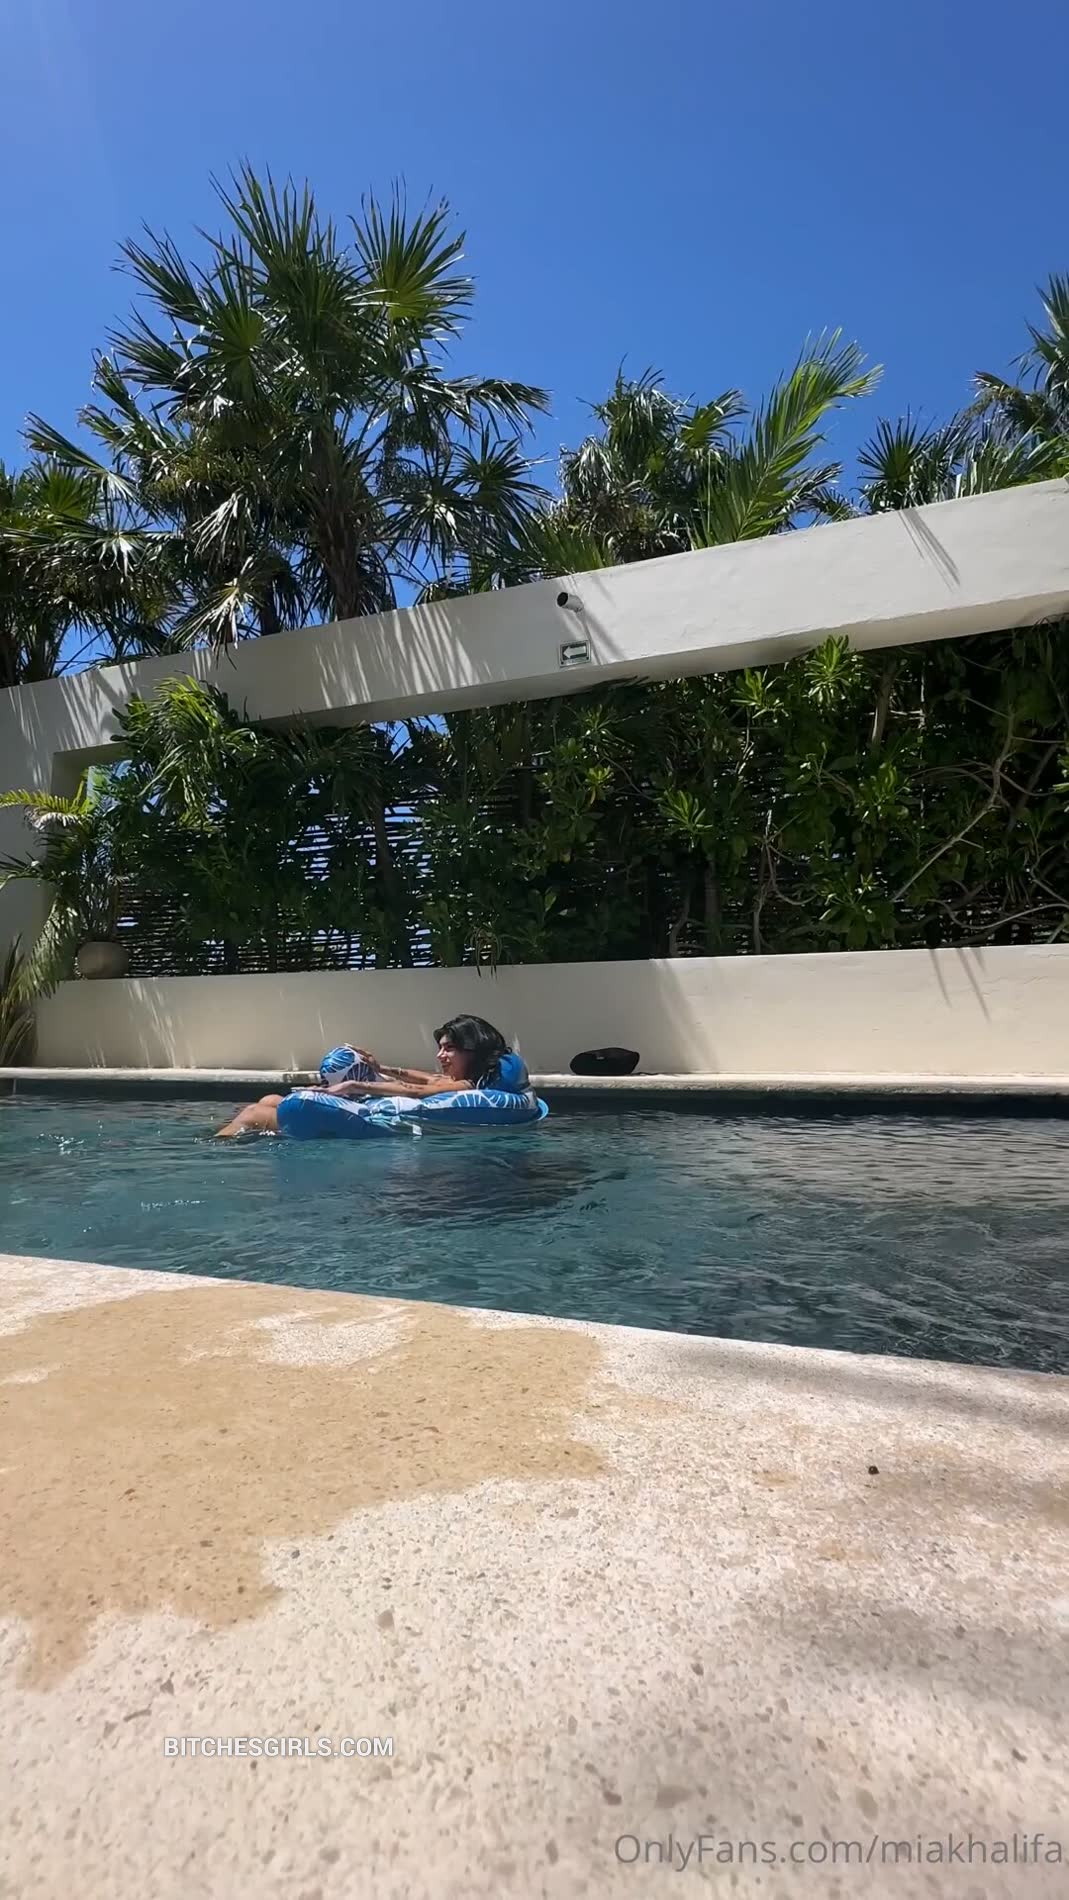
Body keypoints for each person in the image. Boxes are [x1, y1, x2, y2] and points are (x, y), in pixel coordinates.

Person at [214, 1014, 511, 1138]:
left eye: (450, 1049)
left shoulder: (466, 1086)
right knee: (269, 1099)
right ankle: (227, 1137)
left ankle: (215, 1149)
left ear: (473, 1050)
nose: (440, 1056)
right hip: (369, 1110)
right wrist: (381, 1068)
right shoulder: (456, 1080)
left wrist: (355, 1083)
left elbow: (416, 1091)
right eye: (440, 1048)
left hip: (369, 1121)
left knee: (254, 1113)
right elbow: (428, 1079)